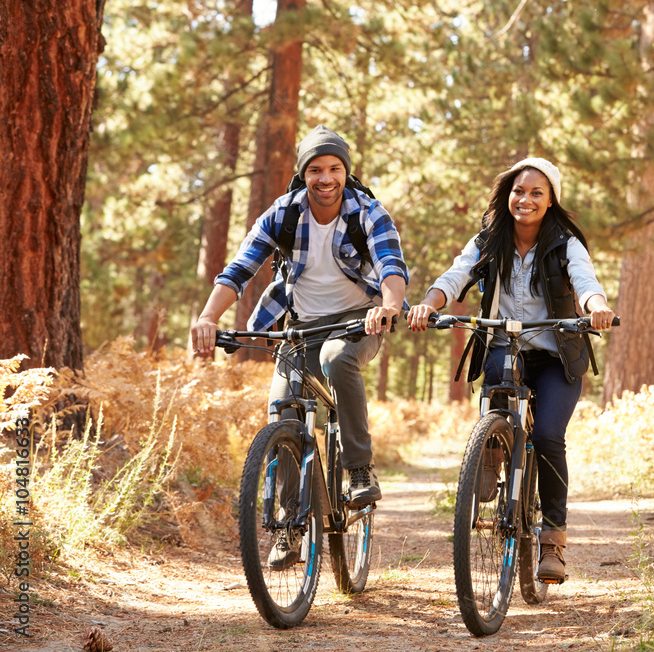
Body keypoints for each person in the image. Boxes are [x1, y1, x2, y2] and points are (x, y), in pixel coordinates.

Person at [191, 125, 407, 536]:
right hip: (301, 327)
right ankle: (291, 525)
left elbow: (391, 266)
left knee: (335, 357)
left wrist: (389, 307)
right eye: (315, 170)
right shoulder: (284, 212)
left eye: (334, 168)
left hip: (360, 321)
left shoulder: (368, 212)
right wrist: (207, 317)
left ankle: (359, 469)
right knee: (284, 410)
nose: (325, 178)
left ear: (345, 172)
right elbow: (239, 270)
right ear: (303, 173)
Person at [407, 157, 614, 584]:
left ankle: (552, 541)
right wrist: (429, 303)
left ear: (551, 200)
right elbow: (455, 274)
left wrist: (597, 308)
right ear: (508, 195)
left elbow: (586, 282)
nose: (526, 199)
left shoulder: (565, 244)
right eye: (520, 191)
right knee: (499, 381)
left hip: (556, 354)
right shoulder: (489, 239)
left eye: (537, 193)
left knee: (548, 436)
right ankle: (492, 449)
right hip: (505, 345)